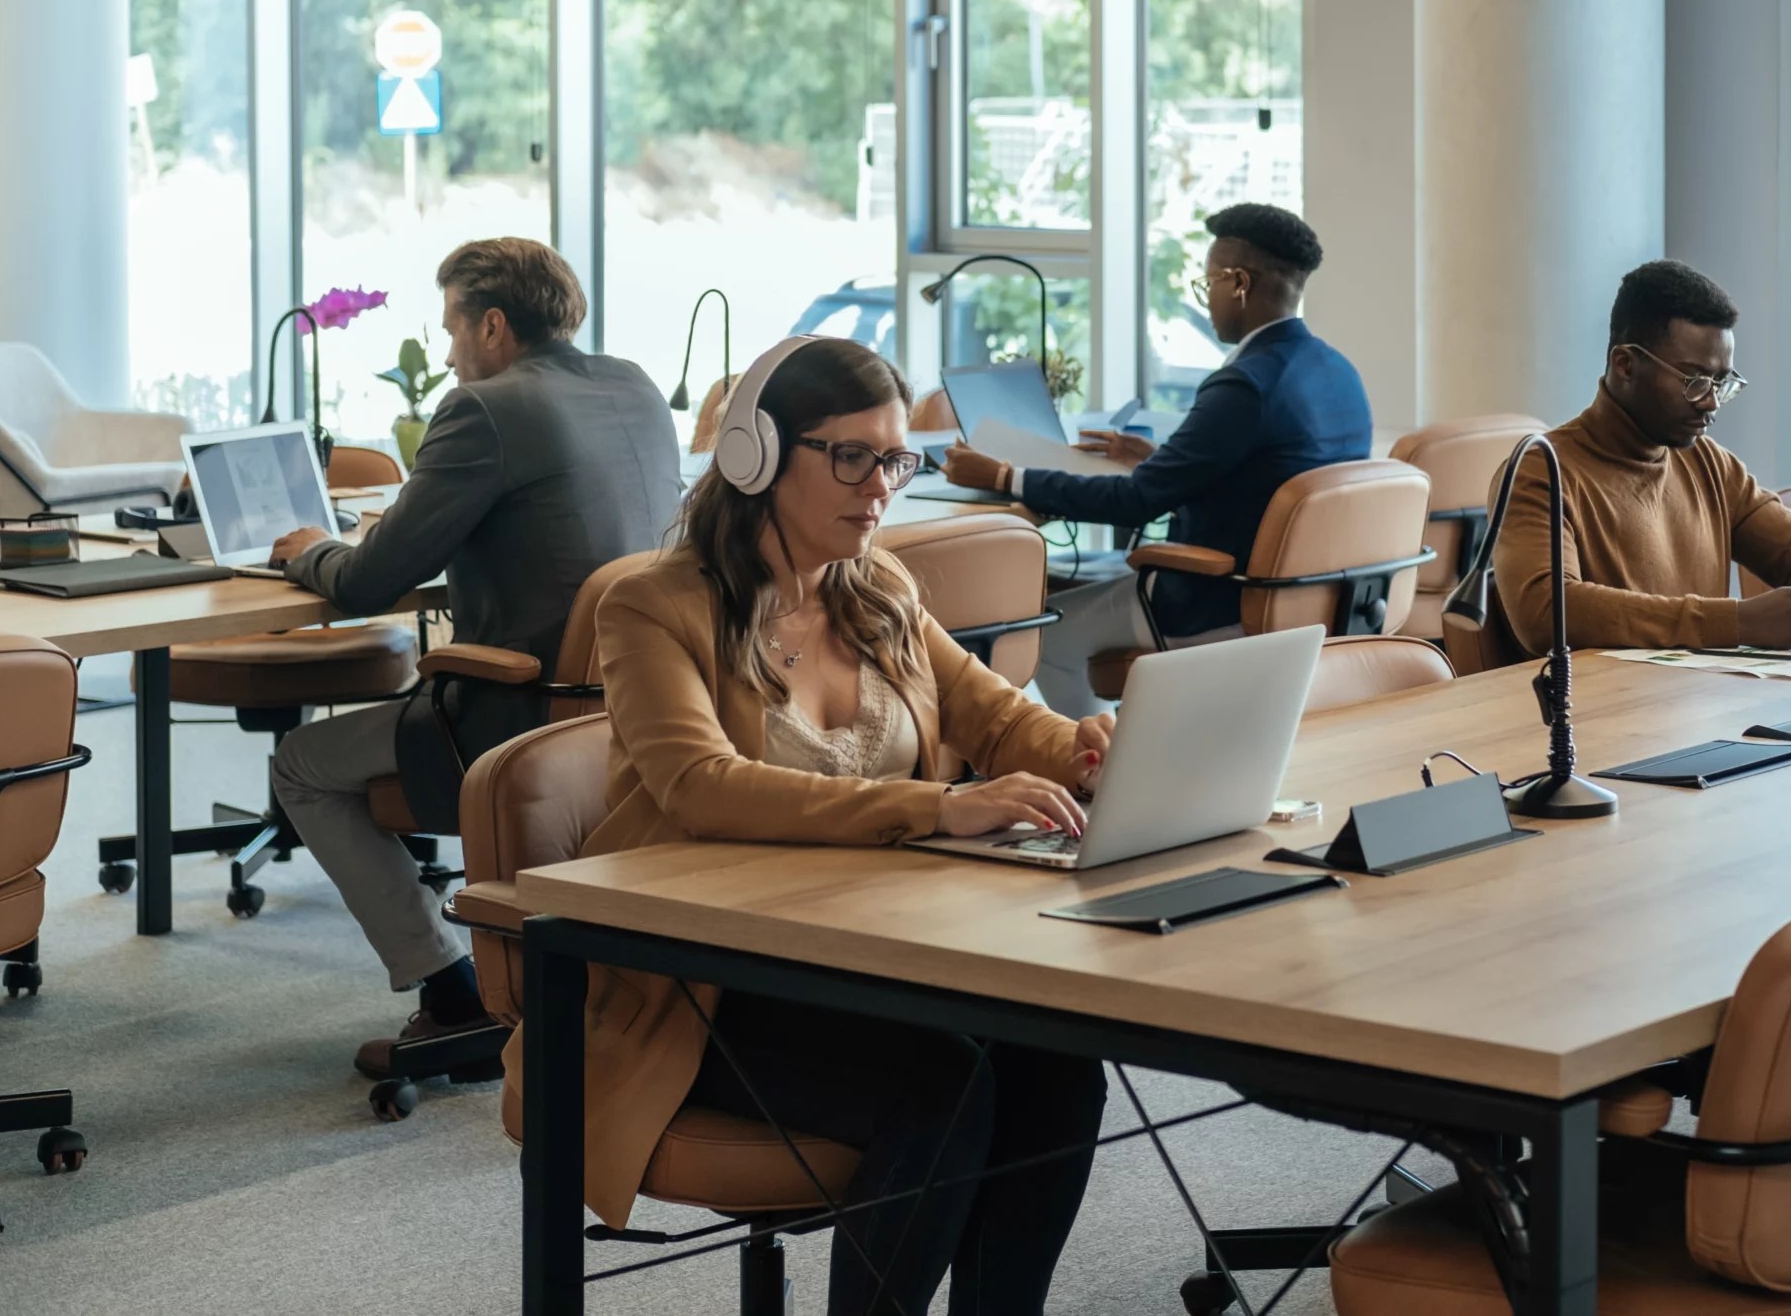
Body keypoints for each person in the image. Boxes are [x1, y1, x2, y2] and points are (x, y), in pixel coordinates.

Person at [506, 337, 1112, 1316]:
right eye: (852, 457)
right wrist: (936, 806)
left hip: (868, 949)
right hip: (703, 980)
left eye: (895, 460)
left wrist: (1083, 750)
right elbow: (701, 786)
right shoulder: (653, 606)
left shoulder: (879, 589)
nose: (880, 489)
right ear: (755, 455)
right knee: (944, 1081)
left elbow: (996, 719)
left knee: (1057, 1062)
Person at [263, 238, 681, 1077]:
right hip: (641, 714)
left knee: (300, 764)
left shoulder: (485, 409)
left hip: (521, 720)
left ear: (493, 325)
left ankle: (451, 989)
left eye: (454, 329)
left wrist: (311, 550)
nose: (451, 354)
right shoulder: (634, 385)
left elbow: (369, 581)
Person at [941, 203, 1372, 715]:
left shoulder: (1245, 385)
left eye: (1208, 282)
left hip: (1221, 603)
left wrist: (1005, 475)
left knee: (1045, 635)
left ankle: (1092, 761)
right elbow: (1266, 473)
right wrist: (1165, 459)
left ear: (1239, 282)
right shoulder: (1338, 372)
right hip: (1310, 601)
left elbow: (1135, 502)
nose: (1207, 299)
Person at [1500, 260, 1791, 653]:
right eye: (1695, 381)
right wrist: (1738, 622)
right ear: (1626, 365)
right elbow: (1546, 610)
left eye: (1722, 383)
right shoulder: (1541, 470)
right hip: (1599, 713)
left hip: (1698, 703)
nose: (1711, 403)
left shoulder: (1709, 464)